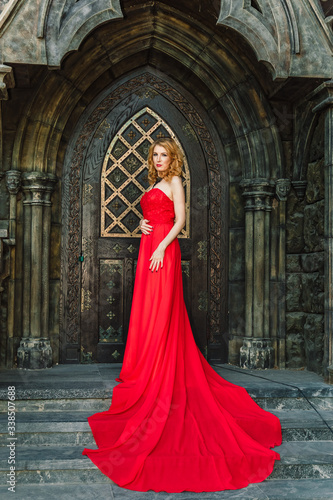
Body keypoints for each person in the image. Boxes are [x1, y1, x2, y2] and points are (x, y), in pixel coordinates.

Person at [82, 137, 282, 493]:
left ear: (172, 159)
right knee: (147, 311)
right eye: (155, 155)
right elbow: (153, 216)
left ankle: (161, 368)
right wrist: (142, 227)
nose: (159, 159)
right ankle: (146, 368)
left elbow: (181, 221)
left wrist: (159, 244)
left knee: (161, 311)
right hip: (149, 246)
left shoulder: (175, 182)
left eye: (164, 155)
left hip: (164, 250)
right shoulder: (152, 184)